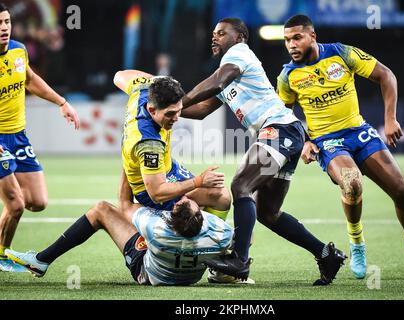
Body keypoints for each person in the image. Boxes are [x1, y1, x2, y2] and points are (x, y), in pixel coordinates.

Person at [277, 14, 404, 279]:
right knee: (352, 183)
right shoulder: (288, 76)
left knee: (401, 190)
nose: (291, 45)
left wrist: (390, 119)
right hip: (327, 141)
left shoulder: (341, 54)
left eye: (297, 38)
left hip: (359, 131)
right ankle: (357, 245)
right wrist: (306, 142)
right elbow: (283, 117)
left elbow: (386, 75)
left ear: (313, 36)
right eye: (287, 40)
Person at [181, 17, 346, 285]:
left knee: (241, 185)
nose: (215, 37)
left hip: (279, 131)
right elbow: (200, 111)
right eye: (213, 34)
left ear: (239, 38)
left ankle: (239, 261)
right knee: (268, 212)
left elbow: (216, 83)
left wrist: (178, 100)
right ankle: (326, 254)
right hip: (286, 136)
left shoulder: (238, 55)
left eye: (222, 33)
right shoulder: (228, 70)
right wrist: (172, 111)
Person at [113, 70, 253, 284]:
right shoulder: (150, 144)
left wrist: (161, 83)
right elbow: (158, 192)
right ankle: (203, 250)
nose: (176, 118)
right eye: (170, 114)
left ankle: (209, 253)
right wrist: (198, 182)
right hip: (149, 184)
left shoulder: (143, 90)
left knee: (220, 194)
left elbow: (119, 75)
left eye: (178, 111)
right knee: (220, 197)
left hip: (167, 169)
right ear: (151, 109)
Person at [5, 172, 234, 286]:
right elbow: (240, 236)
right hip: (192, 276)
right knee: (222, 198)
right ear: (201, 216)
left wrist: (129, 159)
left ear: (171, 215)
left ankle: (42, 260)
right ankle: (219, 273)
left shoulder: (155, 228)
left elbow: (125, 204)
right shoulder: (221, 232)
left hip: (148, 272)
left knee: (102, 210)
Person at [0, 3, 80, 272]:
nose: (4, 29)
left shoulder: (18, 50)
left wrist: (61, 102)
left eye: (7, 22)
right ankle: (1, 255)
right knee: (16, 205)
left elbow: (31, 79)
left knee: (37, 201)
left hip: (18, 136)